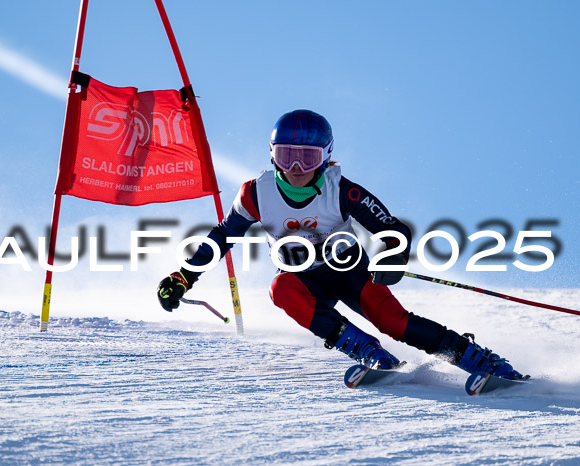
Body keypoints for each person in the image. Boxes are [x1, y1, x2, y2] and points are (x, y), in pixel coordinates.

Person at [157, 109, 524, 380]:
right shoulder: (256, 194)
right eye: (287, 156)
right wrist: (184, 277)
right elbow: (222, 237)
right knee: (280, 288)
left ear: (326, 156)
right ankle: (368, 351)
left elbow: (392, 229)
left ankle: (479, 360)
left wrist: (392, 256)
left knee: (393, 322)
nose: (297, 167)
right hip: (304, 278)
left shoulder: (340, 189)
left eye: (308, 157)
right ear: (272, 155)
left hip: (349, 270)